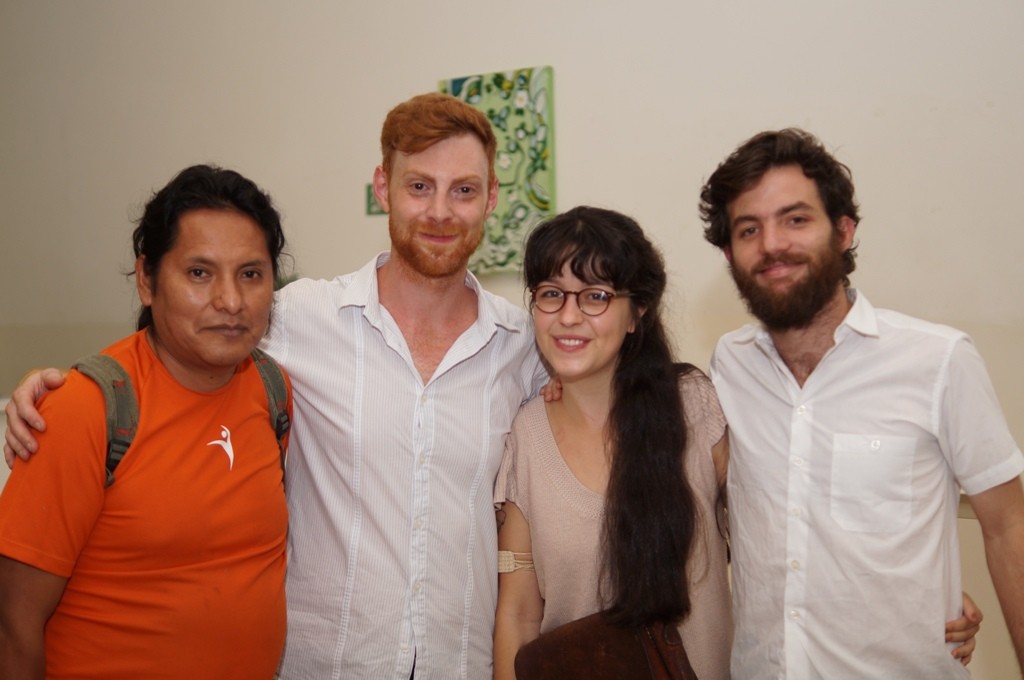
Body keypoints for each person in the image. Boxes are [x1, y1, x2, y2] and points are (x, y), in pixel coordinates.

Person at [4, 93, 545, 678]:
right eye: (419, 186)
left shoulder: (524, 347)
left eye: (463, 190)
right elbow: (175, 346)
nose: (440, 211)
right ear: (383, 188)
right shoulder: (296, 318)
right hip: (324, 665)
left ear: (491, 198)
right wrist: (41, 389)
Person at [699, 128, 1024, 677]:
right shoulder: (728, 367)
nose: (772, 243)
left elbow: (1008, 528)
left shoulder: (938, 360)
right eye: (749, 228)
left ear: (843, 231)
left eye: (796, 219)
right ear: (730, 253)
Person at [0, 164, 291, 679]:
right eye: (199, 273)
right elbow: (13, 625)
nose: (230, 301)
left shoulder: (272, 391)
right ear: (147, 280)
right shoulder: (86, 409)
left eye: (251, 274)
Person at [493, 206, 732, 679]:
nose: (568, 316)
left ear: (636, 313)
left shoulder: (694, 406)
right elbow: (519, 613)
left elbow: (763, 551)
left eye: (596, 296)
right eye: (551, 294)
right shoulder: (527, 433)